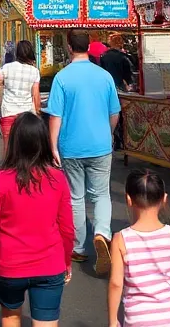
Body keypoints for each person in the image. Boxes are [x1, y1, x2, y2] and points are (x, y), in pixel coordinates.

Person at [0, 112, 74, 327]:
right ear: (43, 142)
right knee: (46, 321)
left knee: (10, 316)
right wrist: (66, 260)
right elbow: (67, 228)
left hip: (10, 262)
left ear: (14, 143)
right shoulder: (57, 179)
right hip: (50, 263)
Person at [47, 28, 121, 275]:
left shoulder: (62, 78)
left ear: (69, 47)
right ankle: (102, 233)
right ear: (89, 46)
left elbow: (55, 115)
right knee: (101, 194)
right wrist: (108, 134)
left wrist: (53, 145)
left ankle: (78, 247)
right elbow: (115, 113)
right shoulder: (104, 76)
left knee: (76, 197)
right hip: (100, 144)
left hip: (72, 146)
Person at [107, 169, 170, 327]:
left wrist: (113, 320)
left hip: (138, 319)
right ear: (164, 199)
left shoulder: (121, 239)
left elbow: (116, 283)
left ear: (129, 199)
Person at [0, 39, 42, 151]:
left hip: (9, 111)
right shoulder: (34, 71)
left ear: (17, 53)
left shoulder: (7, 68)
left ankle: (8, 167)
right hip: (27, 114)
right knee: (27, 147)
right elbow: (35, 95)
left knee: (8, 146)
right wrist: (38, 112)